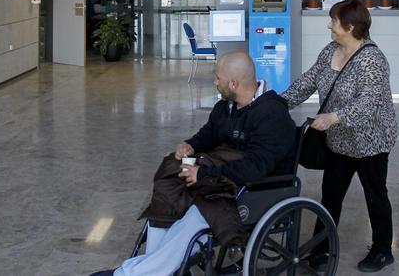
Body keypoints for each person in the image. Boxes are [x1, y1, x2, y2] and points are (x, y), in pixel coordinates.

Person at [90, 52, 296, 276]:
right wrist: (190, 145)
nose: (215, 82)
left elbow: (255, 168)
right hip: (222, 178)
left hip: (255, 188)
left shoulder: (272, 114)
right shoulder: (226, 106)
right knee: (169, 194)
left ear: (234, 84)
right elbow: (208, 135)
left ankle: (135, 273)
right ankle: (152, 267)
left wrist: (203, 174)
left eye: (218, 78)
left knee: (198, 212)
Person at [282, 0, 397, 273]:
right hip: (339, 141)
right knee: (331, 196)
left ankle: (383, 250)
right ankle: (321, 249)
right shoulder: (331, 50)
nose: (328, 25)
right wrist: (278, 102)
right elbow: (309, 80)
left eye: (333, 21)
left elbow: (368, 103)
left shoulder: (373, 60)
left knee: (375, 195)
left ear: (350, 26)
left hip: (371, 141)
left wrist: (333, 118)